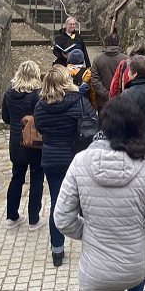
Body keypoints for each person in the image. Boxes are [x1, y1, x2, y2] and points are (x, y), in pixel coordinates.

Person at [53, 96, 145, 291]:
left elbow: (62, 218)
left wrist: (89, 232)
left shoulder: (80, 161)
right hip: (136, 262)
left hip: (96, 268)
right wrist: (142, 235)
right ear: (136, 125)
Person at [33, 65, 96, 267]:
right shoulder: (80, 102)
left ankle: (57, 250)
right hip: (77, 159)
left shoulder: (40, 106)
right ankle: (92, 247)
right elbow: (92, 126)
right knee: (85, 204)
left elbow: (40, 127)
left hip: (52, 159)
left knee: (57, 203)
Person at [1, 61, 46, 231]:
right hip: (34, 143)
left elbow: (5, 117)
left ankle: (12, 216)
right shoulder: (37, 94)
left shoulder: (9, 92)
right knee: (36, 178)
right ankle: (34, 219)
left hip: (16, 142)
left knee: (16, 178)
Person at [90, 33, 127, 111]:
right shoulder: (125, 59)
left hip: (103, 102)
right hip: (121, 100)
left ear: (104, 43)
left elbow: (95, 80)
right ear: (118, 43)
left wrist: (106, 94)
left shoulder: (97, 59)